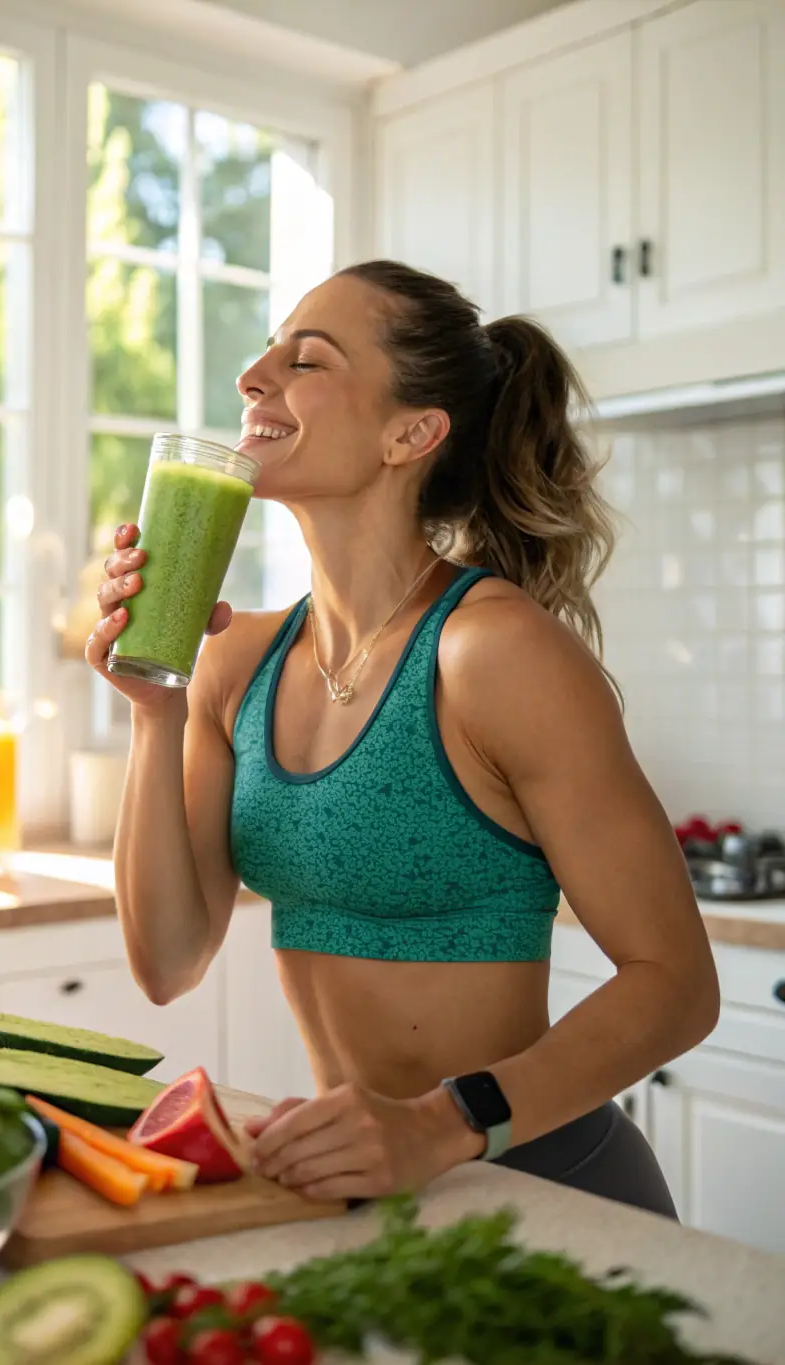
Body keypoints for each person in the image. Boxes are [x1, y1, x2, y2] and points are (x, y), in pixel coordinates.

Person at [87, 260, 718, 1216]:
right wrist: (153, 709)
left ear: (411, 433)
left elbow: (677, 986)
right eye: (267, 350)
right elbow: (168, 962)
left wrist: (436, 1123)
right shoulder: (234, 662)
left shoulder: (493, 652)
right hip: (371, 1194)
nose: (253, 377)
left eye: (307, 360)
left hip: (545, 1185)